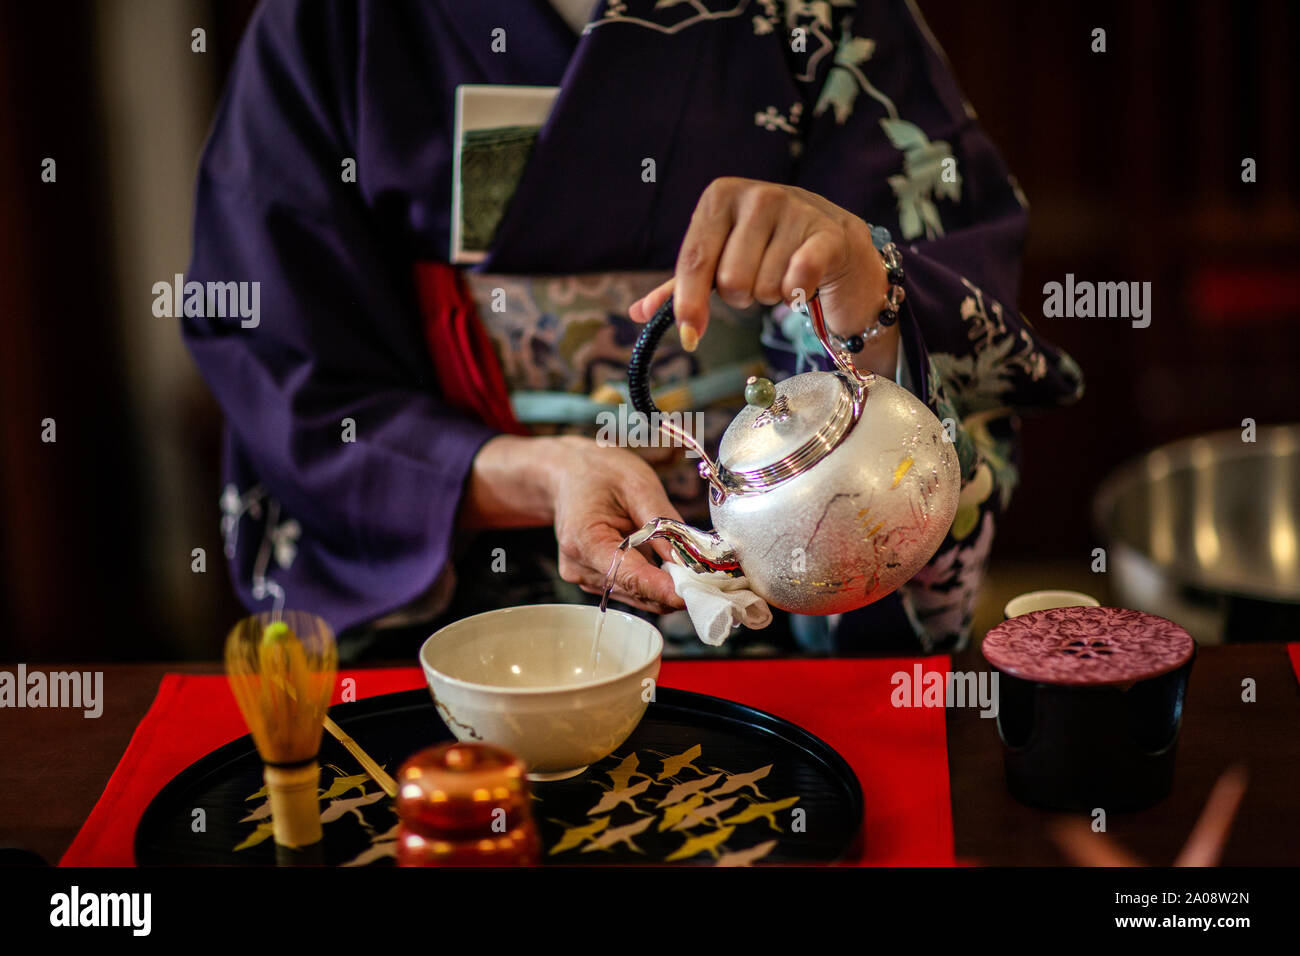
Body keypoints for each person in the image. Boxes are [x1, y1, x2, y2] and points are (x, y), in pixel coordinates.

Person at [183, 0, 1083, 658]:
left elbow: (955, 283)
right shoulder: (332, 22)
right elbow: (278, 354)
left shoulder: (823, 13)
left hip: (781, 564)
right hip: (469, 604)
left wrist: (860, 283)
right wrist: (538, 474)